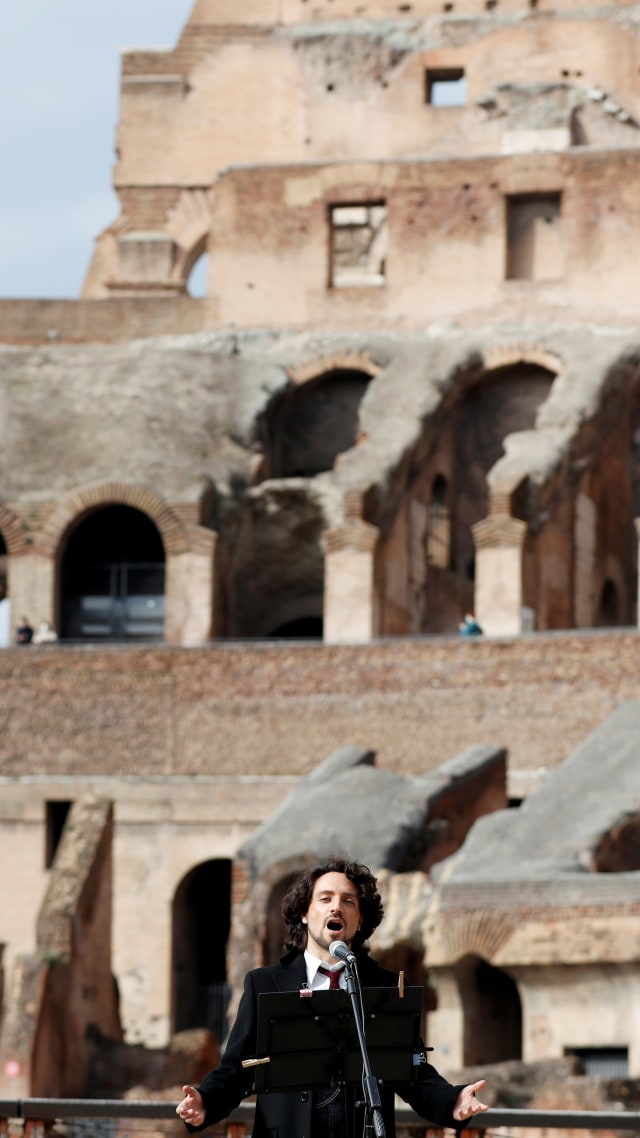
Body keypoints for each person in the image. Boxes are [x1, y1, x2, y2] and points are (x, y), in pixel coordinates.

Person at [177, 857, 488, 1138]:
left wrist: (453, 1100)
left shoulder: (386, 986)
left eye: (348, 901)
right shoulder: (265, 984)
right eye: (325, 899)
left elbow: (412, 1069)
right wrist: (205, 1101)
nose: (336, 907)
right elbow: (237, 1069)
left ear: (360, 920)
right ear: (304, 913)